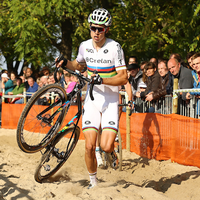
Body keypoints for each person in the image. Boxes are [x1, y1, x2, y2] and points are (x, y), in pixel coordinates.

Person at [56, 8, 127, 189]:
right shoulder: (84, 45)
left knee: (107, 145)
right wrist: (66, 62)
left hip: (110, 100)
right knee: (89, 146)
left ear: (107, 29)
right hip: (92, 100)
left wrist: (102, 79)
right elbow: (78, 65)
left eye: (100, 29)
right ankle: (93, 183)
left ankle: (110, 152)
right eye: (93, 28)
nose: (96, 32)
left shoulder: (114, 47)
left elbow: (123, 77)